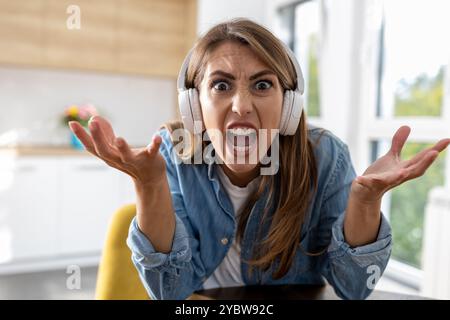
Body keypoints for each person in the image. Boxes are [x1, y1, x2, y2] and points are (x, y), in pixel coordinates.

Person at [69, 18, 450, 300]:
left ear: (289, 106)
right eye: (221, 85)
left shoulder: (325, 156)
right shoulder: (172, 152)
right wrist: (149, 185)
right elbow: (170, 290)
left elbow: (352, 288)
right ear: (193, 108)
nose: (242, 105)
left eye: (262, 84)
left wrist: (365, 203)